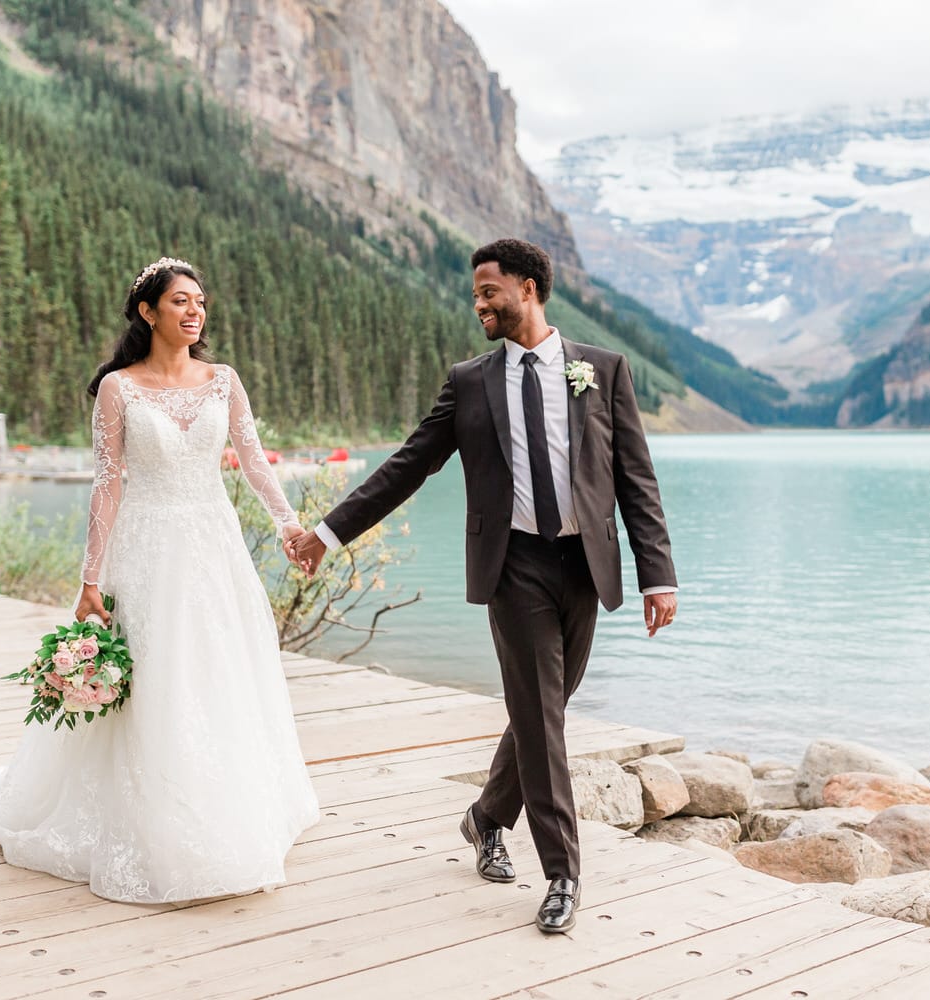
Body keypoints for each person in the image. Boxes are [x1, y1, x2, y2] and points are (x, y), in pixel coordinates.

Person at [0, 258, 320, 903]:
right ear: (147, 311)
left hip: (215, 548)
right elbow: (108, 486)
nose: (195, 312)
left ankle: (230, 806)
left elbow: (253, 462)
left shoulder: (224, 382)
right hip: (148, 548)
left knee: (217, 668)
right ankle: (152, 817)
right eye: (181, 301)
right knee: (153, 678)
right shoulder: (118, 389)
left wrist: (291, 528)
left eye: (201, 303)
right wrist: (89, 582)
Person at [287, 238, 678, 933]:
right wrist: (329, 531)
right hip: (514, 567)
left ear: (528, 289)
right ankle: (563, 873)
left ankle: (486, 814)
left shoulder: (603, 371)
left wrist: (659, 576)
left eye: (488, 292)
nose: (478, 305)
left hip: (584, 566)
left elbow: (634, 480)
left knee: (543, 709)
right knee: (544, 719)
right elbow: (407, 465)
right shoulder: (471, 382)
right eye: (475, 294)